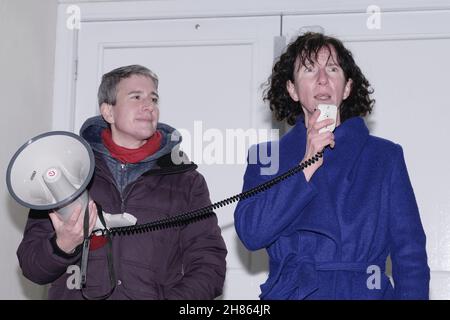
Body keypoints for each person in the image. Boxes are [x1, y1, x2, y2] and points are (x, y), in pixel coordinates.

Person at [234, 32, 429, 300]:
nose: (322, 78)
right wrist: (306, 164)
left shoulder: (384, 157)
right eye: (309, 69)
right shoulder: (266, 158)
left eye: (333, 68)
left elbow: (411, 257)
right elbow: (252, 234)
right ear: (291, 88)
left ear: (347, 87)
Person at [17, 64, 227, 299]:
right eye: (136, 97)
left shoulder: (186, 182)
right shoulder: (64, 172)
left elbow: (209, 263)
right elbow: (32, 266)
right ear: (108, 112)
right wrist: (62, 244)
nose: (149, 106)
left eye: (154, 99)